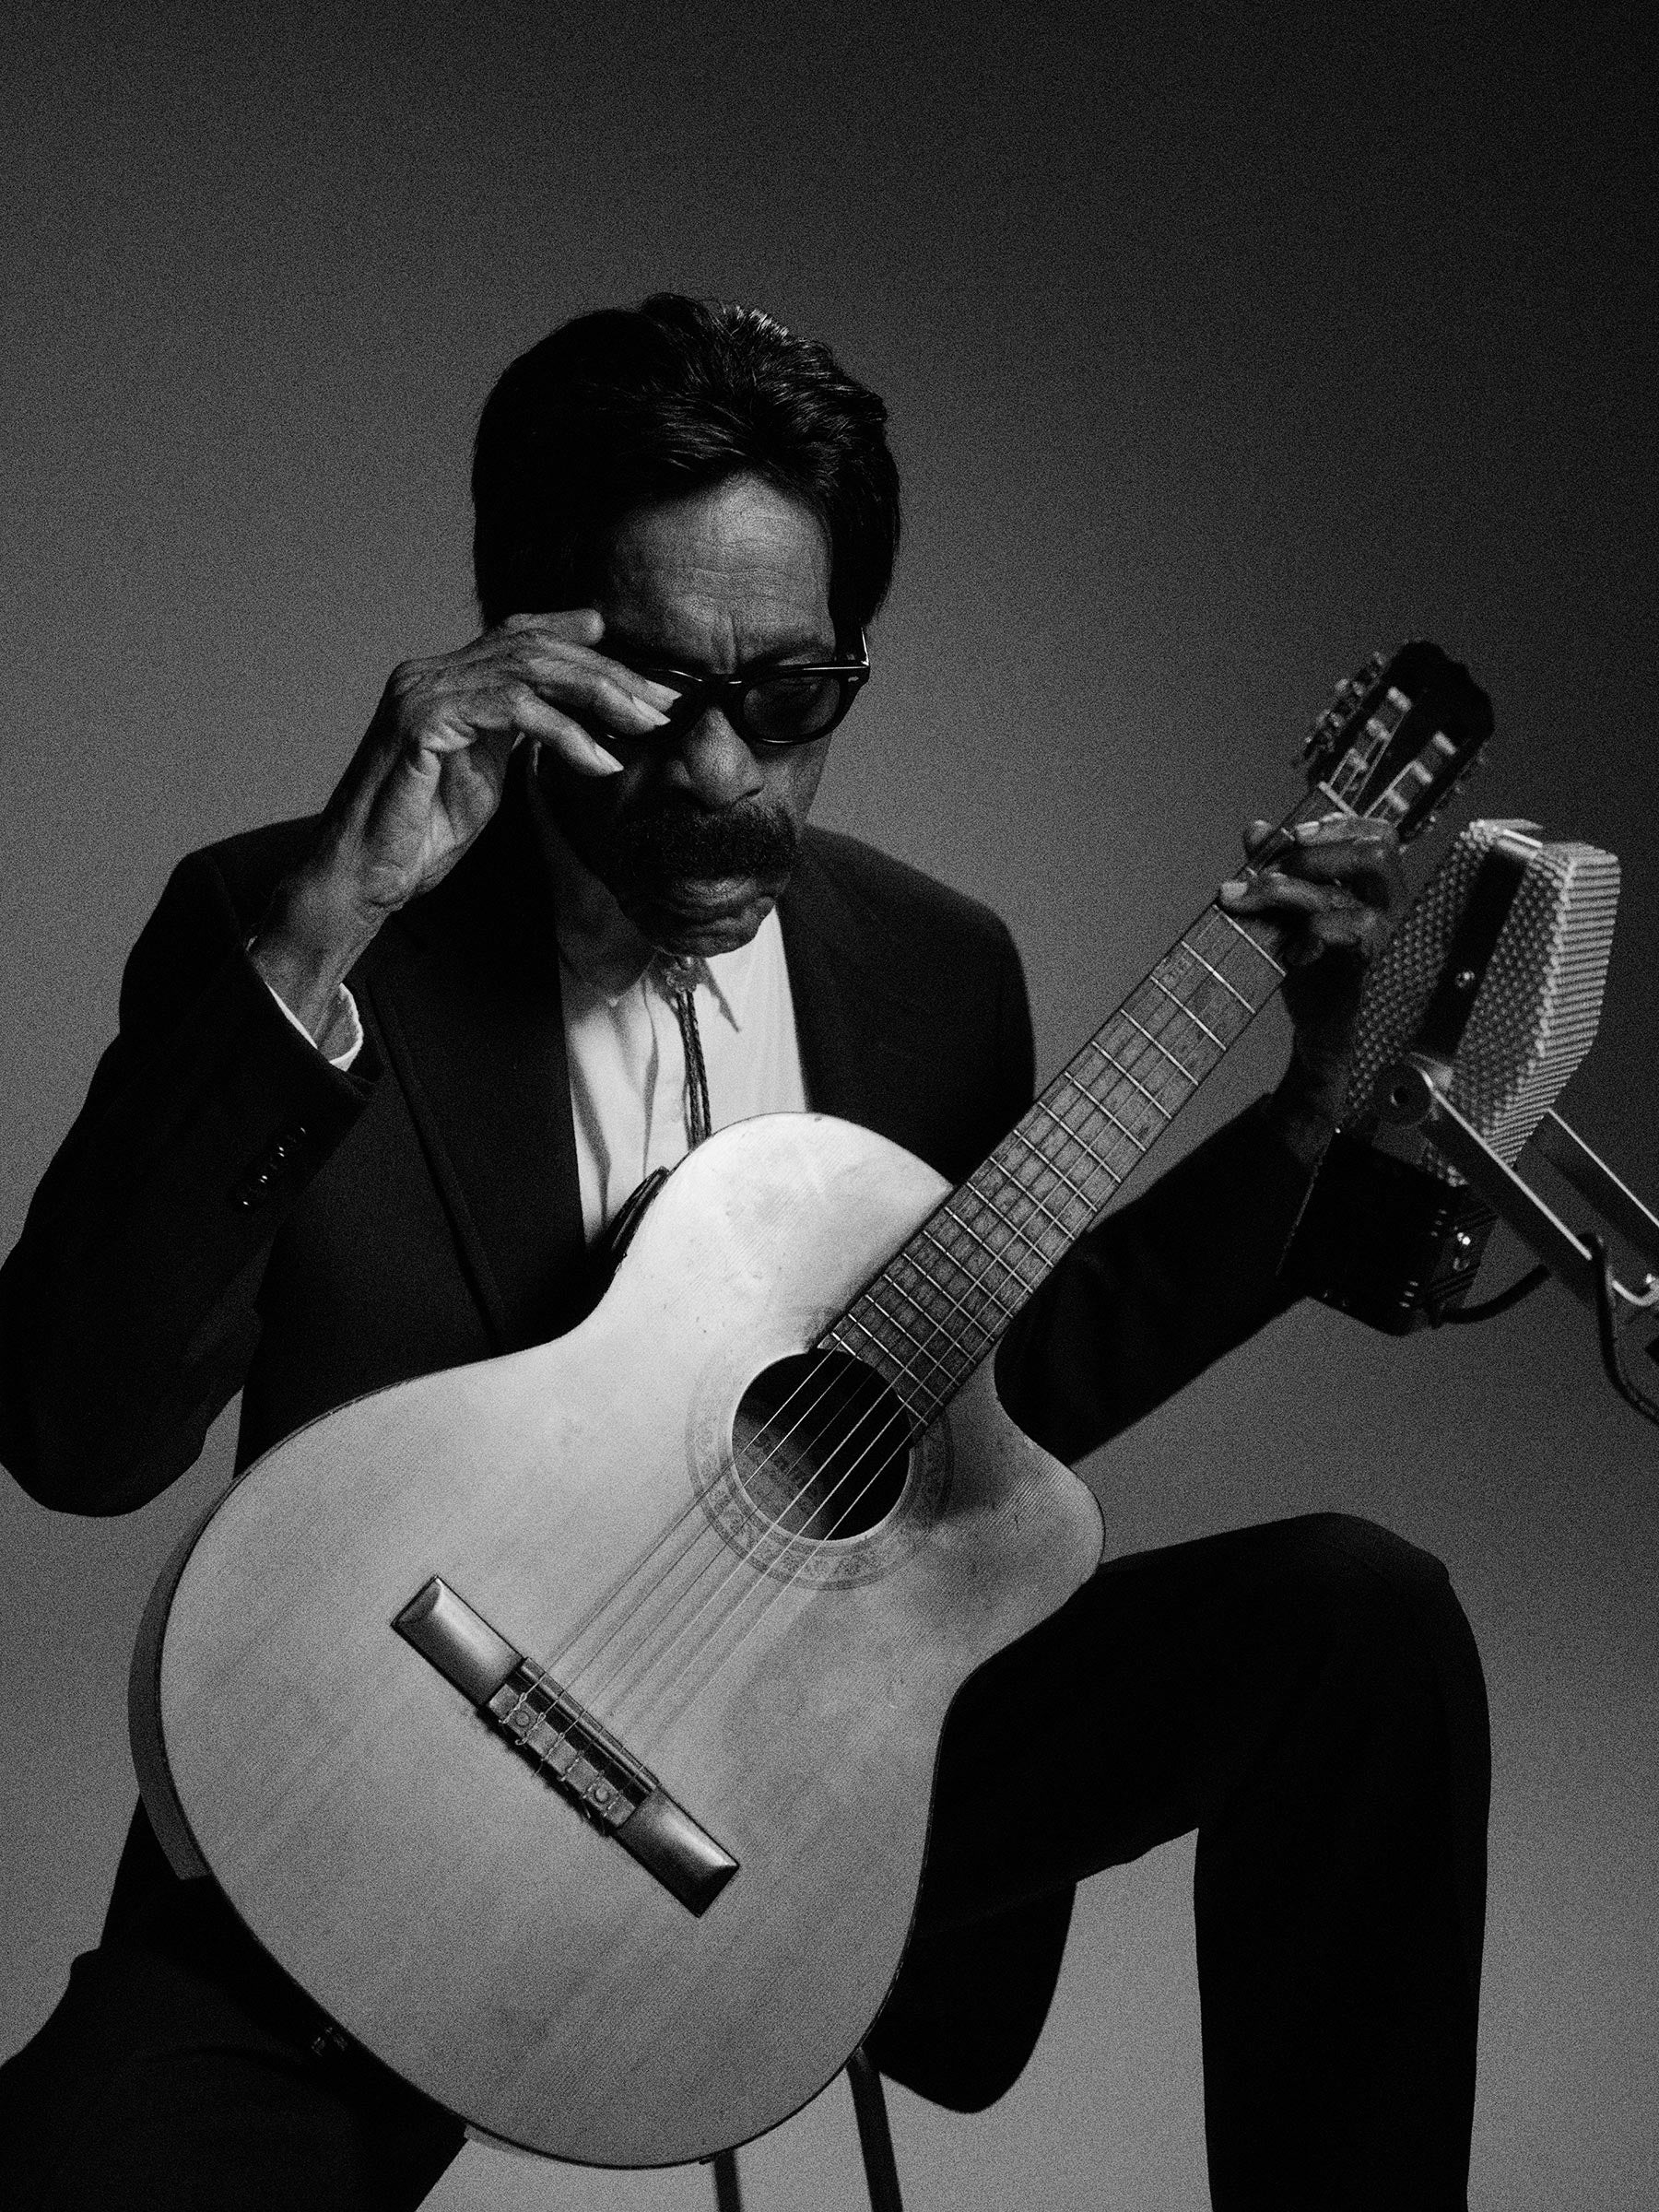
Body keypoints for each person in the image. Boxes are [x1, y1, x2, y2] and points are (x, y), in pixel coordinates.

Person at [0, 294, 1488, 2210]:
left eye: (789, 701)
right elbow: (78, 1436)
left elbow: (965, 1414)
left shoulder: (936, 973)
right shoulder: (296, 930)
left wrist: (1310, 1108)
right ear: (522, 651)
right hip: (380, 1799)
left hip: (809, 1788)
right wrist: (332, 922)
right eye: (646, 697)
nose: (718, 774)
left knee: (1357, 1617)